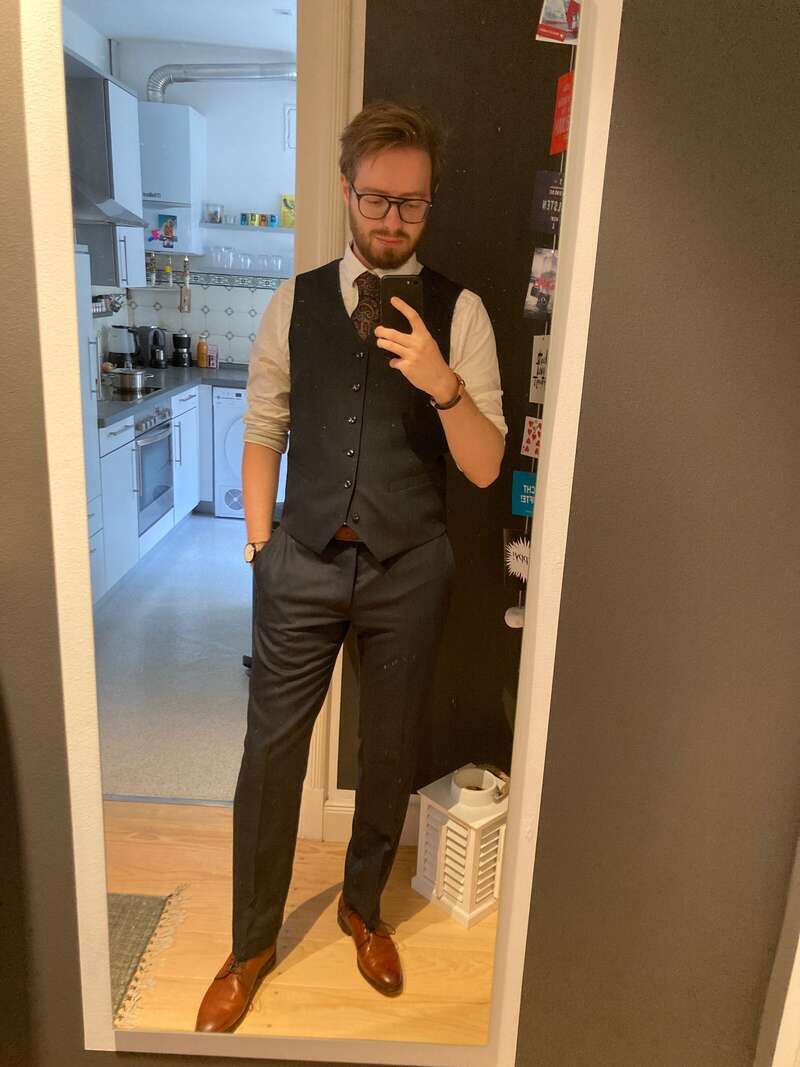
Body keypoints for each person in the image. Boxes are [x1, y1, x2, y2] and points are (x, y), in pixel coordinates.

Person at [195, 100, 508, 1033]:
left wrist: (443, 384)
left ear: (430, 200)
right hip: (299, 559)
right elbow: (264, 427)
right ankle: (251, 943)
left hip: (410, 566)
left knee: (390, 749)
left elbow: (486, 465)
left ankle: (363, 909)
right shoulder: (292, 302)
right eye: (377, 199)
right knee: (269, 755)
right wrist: (259, 546)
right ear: (345, 191)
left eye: (412, 203)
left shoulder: (463, 312)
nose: (393, 220)